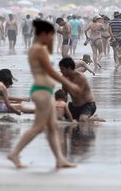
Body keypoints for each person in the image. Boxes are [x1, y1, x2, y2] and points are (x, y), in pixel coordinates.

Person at [7, 20, 80, 169]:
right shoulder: (38, 49)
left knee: (52, 127)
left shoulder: (39, 48)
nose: (52, 38)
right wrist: (69, 84)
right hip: (41, 91)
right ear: (43, 34)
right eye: (51, 35)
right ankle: (14, 153)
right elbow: (51, 71)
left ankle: (60, 159)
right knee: (38, 127)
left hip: (45, 91)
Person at [59, 57, 105, 122]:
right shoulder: (64, 78)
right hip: (74, 105)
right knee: (58, 116)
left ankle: (94, 118)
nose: (61, 71)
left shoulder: (80, 77)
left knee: (82, 120)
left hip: (88, 105)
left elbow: (77, 95)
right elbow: (64, 95)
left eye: (62, 69)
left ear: (69, 68)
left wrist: (67, 83)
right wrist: (61, 107)